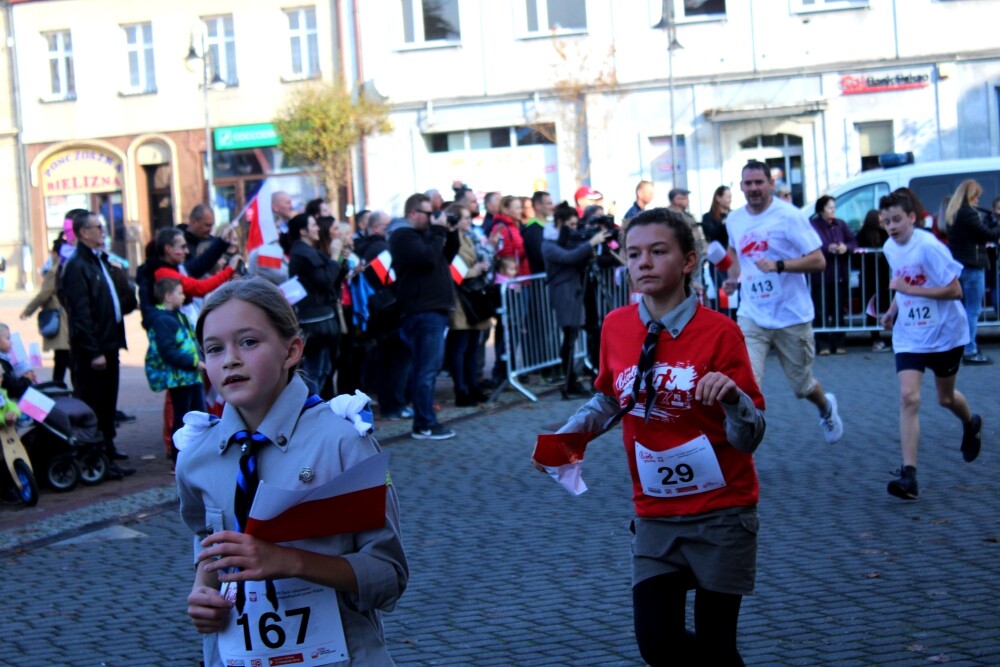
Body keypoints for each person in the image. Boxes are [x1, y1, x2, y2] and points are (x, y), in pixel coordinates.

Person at [541, 207, 765, 665]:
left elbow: (750, 436)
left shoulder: (721, 333)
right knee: (657, 643)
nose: (643, 262)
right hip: (655, 513)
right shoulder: (616, 326)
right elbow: (610, 399)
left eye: (657, 251)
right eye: (634, 253)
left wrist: (731, 399)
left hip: (721, 512)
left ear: (687, 261)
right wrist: (566, 438)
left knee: (717, 647)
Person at [175, 278, 407, 666]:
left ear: (292, 350)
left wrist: (288, 561)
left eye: (248, 342)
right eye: (214, 349)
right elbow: (206, 538)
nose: (230, 358)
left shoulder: (342, 443)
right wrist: (203, 591)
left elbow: (388, 575)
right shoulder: (196, 455)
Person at [722, 160, 843, 444]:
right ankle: (744, 446)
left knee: (802, 386)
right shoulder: (735, 219)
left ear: (770, 184)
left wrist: (779, 265)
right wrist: (732, 277)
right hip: (752, 314)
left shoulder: (789, 216)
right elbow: (735, 254)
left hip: (791, 315)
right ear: (740, 186)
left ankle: (825, 407)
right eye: (747, 183)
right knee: (747, 382)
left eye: (758, 182)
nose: (753, 188)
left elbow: (818, 260)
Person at [878, 191, 982, 500]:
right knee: (909, 397)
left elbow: (954, 291)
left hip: (945, 334)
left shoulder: (929, 247)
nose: (891, 227)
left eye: (897, 219)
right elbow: (902, 281)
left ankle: (971, 422)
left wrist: (910, 289)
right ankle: (909, 475)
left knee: (945, 398)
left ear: (912, 218)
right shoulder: (888, 247)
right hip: (910, 335)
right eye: (886, 222)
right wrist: (893, 310)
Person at [58, 210, 137, 476]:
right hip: (92, 351)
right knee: (93, 403)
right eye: (98, 227)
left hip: (109, 343)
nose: (103, 231)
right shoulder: (76, 265)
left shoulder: (98, 260)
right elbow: (80, 313)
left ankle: (108, 449)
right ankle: (95, 457)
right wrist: (93, 351)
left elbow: (116, 301)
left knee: (107, 404)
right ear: (83, 233)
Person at [390, 193, 459, 440]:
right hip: (421, 312)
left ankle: (425, 421)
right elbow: (427, 259)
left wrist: (450, 232)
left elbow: (447, 256)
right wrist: (439, 232)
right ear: (413, 213)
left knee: (428, 368)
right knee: (426, 370)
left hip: (434, 311)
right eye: (429, 214)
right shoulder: (402, 236)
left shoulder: (428, 236)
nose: (433, 218)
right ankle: (424, 424)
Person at [541, 203, 607, 398]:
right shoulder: (548, 244)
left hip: (577, 291)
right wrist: (590, 244)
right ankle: (569, 382)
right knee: (570, 337)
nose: (573, 228)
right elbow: (568, 258)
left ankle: (583, 379)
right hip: (565, 293)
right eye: (570, 224)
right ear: (560, 223)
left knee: (582, 333)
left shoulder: (565, 240)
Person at [144, 278, 206, 470]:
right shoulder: (163, 320)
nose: (183, 296)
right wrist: (193, 363)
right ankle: (178, 460)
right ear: (168, 296)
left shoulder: (180, 317)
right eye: (179, 293)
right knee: (182, 418)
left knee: (199, 416)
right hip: (179, 379)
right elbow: (168, 351)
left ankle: (196, 456)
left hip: (192, 376)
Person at [943, 179, 998, 365]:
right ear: (970, 196)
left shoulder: (954, 212)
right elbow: (988, 234)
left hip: (959, 266)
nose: (978, 201)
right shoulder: (968, 213)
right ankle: (970, 349)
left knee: (962, 311)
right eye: (976, 197)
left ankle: (963, 347)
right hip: (972, 265)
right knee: (973, 311)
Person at [287, 213, 341, 397]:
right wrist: (334, 257)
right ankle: (315, 412)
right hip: (314, 321)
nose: (318, 228)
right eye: (313, 225)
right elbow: (325, 280)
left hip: (320, 317)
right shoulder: (303, 254)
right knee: (314, 370)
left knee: (323, 368)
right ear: (303, 231)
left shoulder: (307, 251)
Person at [445, 203, 492, 406]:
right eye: (464, 218)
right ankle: (461, 390)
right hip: (459, 297)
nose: (468, 221)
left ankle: (473, 386)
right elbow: (454, 271)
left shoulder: (469, 237)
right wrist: (476, 269)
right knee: (460, 347)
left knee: (473, 345)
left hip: (473, 295)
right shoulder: (451, 239)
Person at [21, 235, 72, 386]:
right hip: (67, 316)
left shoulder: (54, 271)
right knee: (62, 356)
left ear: (55, 253)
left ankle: (59, 384)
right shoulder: (69, 267)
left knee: (63, 355)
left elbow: (44, 294)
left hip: (59, 317)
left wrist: (28, 310)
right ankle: (58, 384)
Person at [809, 195, 857, 355]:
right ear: (822, 209)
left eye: (834, 207)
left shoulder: (840, 224)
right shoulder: (813, 225)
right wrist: (825, 248)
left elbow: (853, 242)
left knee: (838, 309)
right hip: (820, 275)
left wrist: (846, 247)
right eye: (830, 207)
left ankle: (839, 342)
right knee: (820, 310)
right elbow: (810, 244)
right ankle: (822, 344)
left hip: (839, 275)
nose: (833, 210)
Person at [855, 209, 891, 352]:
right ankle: (875, 337)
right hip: (869, 277)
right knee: (871, 308)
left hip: (883, 277)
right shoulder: (862, 236)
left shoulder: (885, 234)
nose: (883, 224)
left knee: (887, 305)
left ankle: (891, 335)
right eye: (880, 222)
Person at [522, 191, 552, 275]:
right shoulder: (533, 230)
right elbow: (541, 256)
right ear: (538, 205)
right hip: (542, 280)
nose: (552, 207)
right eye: (549, 204)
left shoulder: (549, 226)